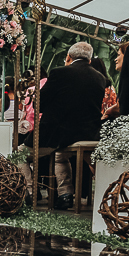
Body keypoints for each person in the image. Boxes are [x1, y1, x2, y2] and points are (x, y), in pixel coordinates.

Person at [37, 42, 105, 210]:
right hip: (90, 132)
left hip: (63, 132)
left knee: (21, 154)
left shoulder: (59, 73)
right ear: (89, 60)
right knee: (61, 155)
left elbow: (40, 103)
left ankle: (30, 193)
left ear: (68, 57)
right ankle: (71, 194)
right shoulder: (100, 78)